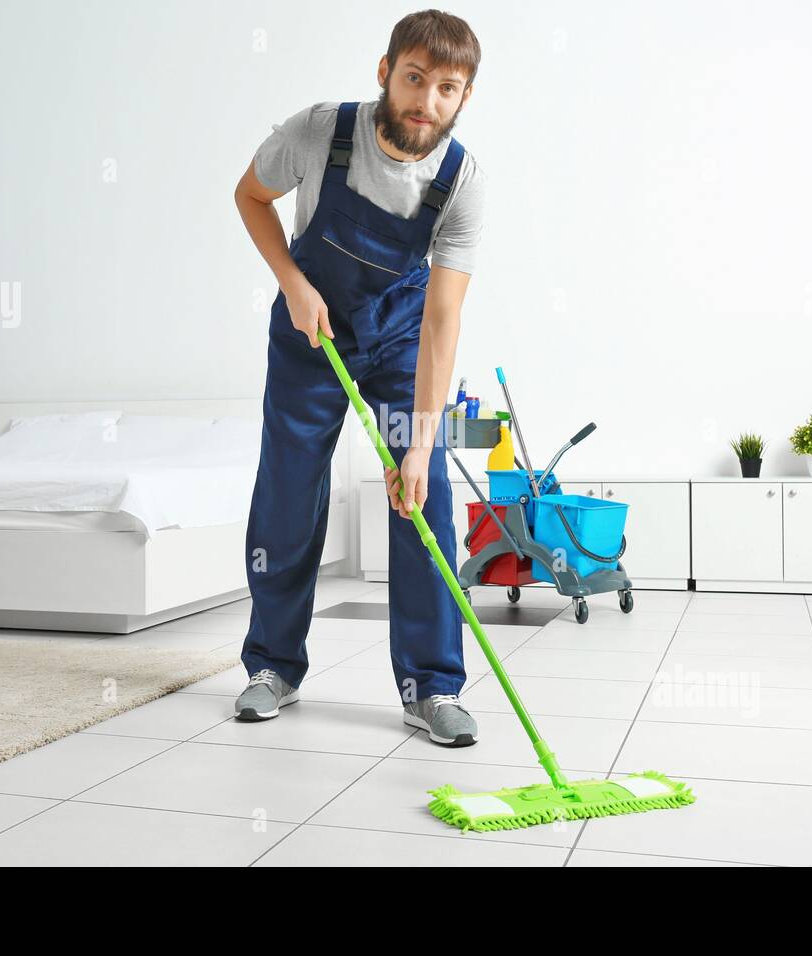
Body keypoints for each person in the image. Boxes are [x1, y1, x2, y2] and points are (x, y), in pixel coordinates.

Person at [231, 10, 486, 746]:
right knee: (287, 495)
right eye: (414, 79)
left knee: (423, 495)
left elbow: (442, 323)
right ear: (385, 72)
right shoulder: (318, 132)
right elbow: (250, 196)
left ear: (463, 96)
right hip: (310, 337)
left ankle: (432, 685)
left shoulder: (462, 180)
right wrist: (291, 282)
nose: (426, 102)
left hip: (401, 344)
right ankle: (272, 666)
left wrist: (417, 444)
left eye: (447, 88)